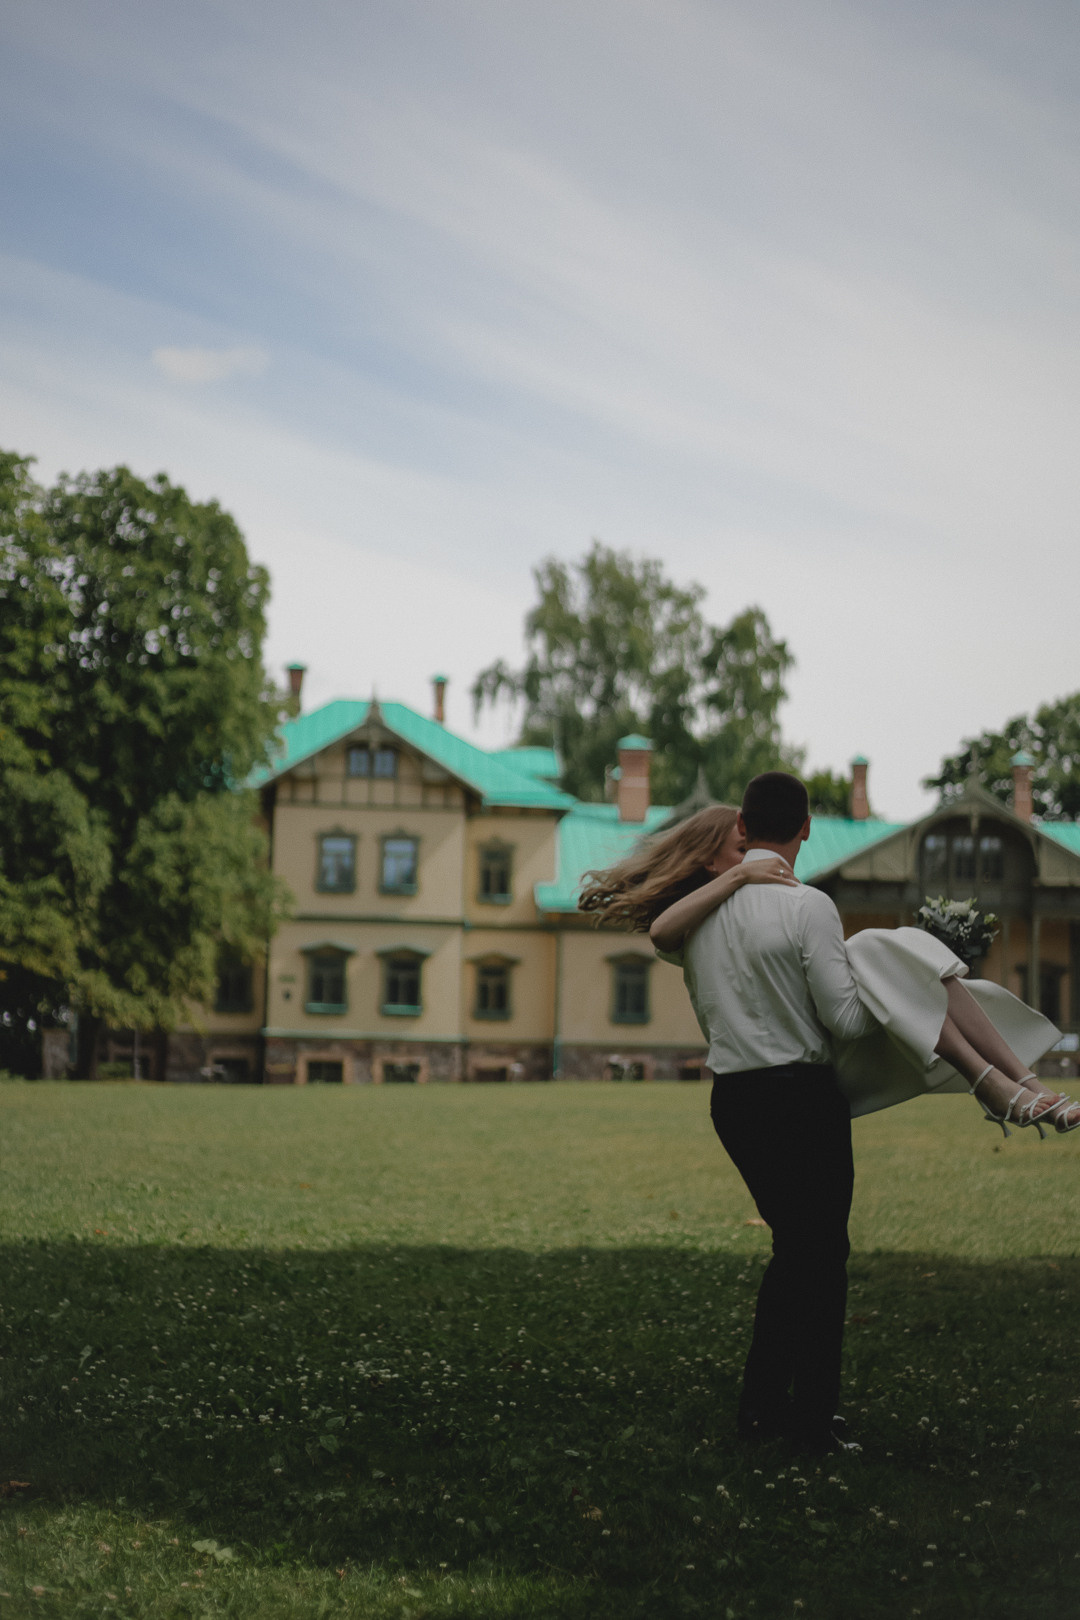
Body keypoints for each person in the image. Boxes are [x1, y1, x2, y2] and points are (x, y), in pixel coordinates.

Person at [579, 776, 1073, 1453]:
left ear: (746, 831)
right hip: (800, 1098)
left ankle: (764, 1412)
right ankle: (810, 1420)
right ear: (806, 829)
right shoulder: (807, 906)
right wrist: (891, 981)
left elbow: (665, 931)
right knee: (821, 1256)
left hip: (737, 1104)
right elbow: (843, 1018)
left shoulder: (691, 922)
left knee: (798, 1253)